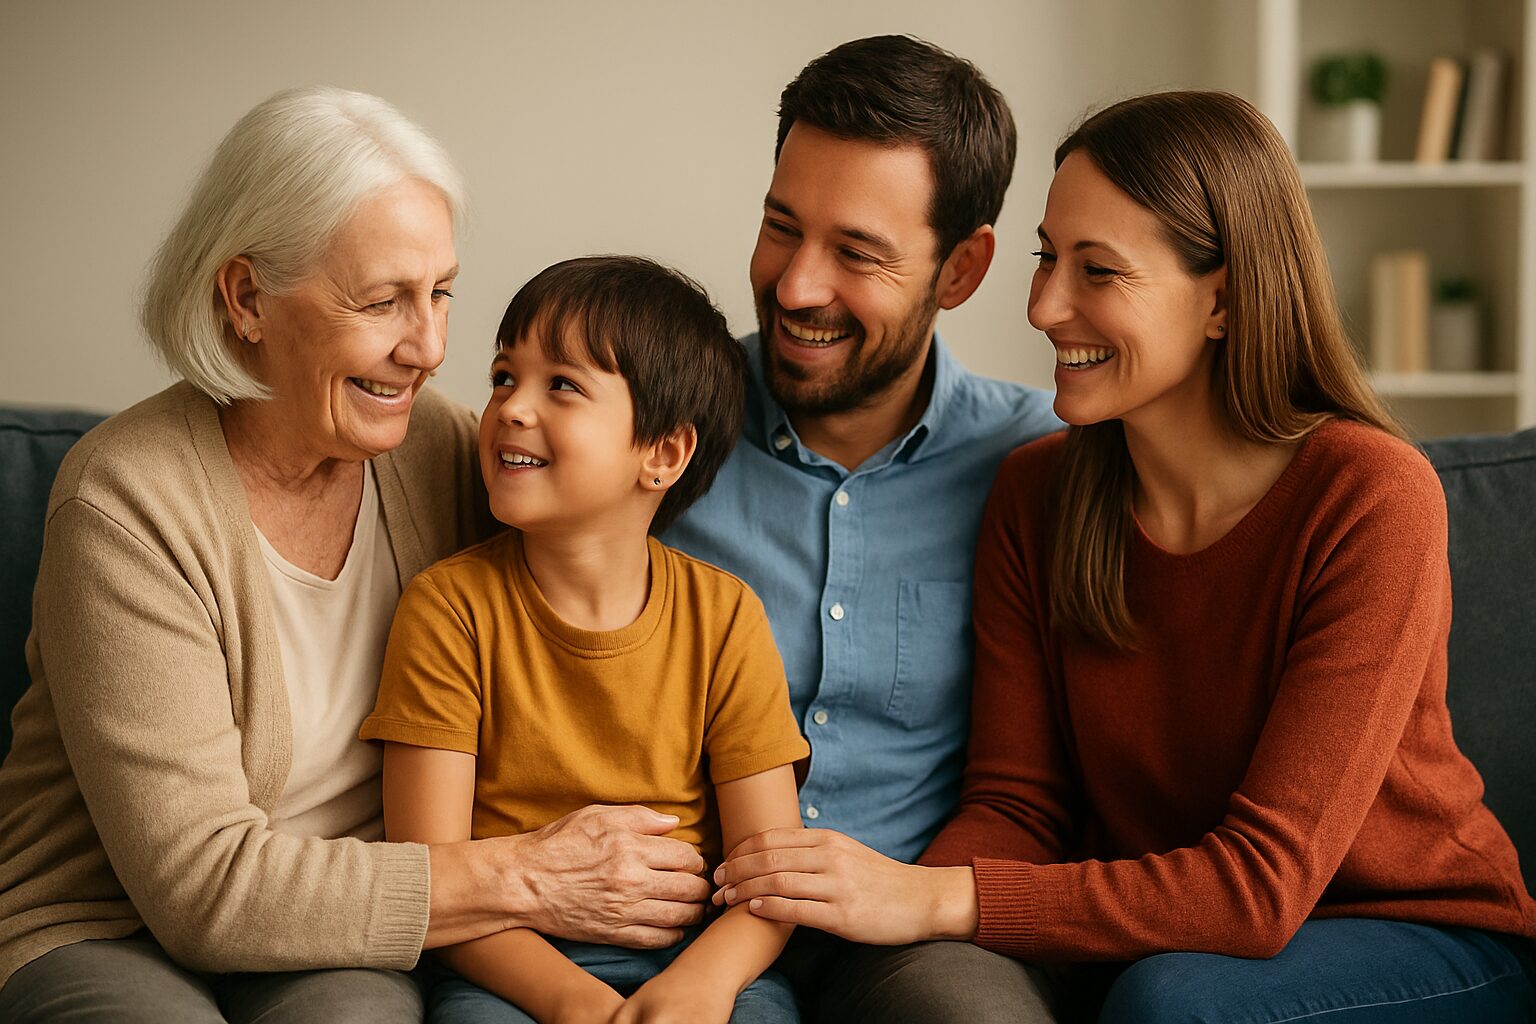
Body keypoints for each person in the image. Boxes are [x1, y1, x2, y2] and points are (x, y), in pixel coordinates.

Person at [714, 91, 1536, 1021]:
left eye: (1097, 272)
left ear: (1221, 300)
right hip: (1173, 944)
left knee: (1169, 1003)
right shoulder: (1038, 493)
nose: (1043, 306)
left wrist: (930, 898)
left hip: (1418, 938)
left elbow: (1261, 887)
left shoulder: (1370, 494)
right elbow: (1018, 807)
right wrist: (875, 931)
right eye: (1046, 258)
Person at [0, 90, 713, 1023]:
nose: (428, 348)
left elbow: (611, 534)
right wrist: (530, 874)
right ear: (247, 297)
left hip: (356, 927)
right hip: (112, 922)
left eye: (441, 292)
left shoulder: (449, 451)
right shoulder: (125, 501)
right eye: (383, 301)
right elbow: (202, 891)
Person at [664, 34, 1060, 1022]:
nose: (797, 286)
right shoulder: (654, 426)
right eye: (781, 227)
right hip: (672, 922)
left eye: (857, 253)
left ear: (961, 268)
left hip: (908, 933)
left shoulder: (1041, 462)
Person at [361, 255, 810, 1024]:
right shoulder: (448, 611)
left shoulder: (726, 619)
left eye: (560, 385)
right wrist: (577, 1003)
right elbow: (430, 879)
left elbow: (773, 879)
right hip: (506, 965)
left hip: (697, 963)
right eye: (505, 377)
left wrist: (701, 986)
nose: (510, 408)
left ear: (663, 454)